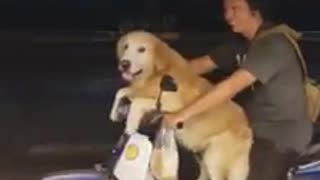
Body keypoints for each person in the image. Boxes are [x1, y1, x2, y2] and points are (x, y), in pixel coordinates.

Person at [163, 0, 314, 179]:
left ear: (256, 12)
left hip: (280, 136)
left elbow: (231, 86)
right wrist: (153, 74)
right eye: (226, 10)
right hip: (249, 128)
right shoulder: (240, 45)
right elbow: (194, 67)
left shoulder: (273, 45)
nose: (228, 16)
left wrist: (182, 114)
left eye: (235, 9)